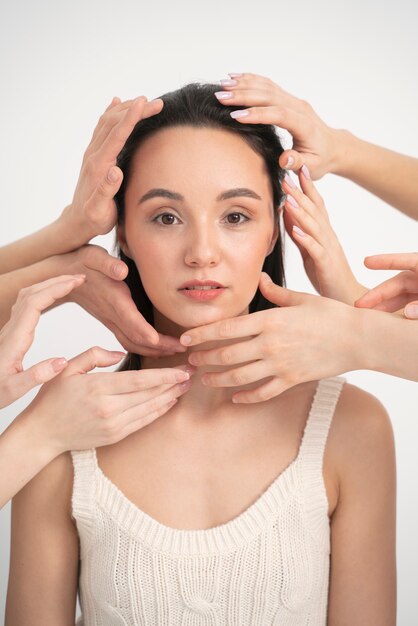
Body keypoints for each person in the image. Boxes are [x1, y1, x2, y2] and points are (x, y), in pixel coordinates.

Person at [6, 82, 396, 625]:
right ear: (122, 232)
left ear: (274, 231)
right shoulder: (63, 434)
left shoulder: (352, 426)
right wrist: (65, 241)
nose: (202, 254)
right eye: (166, 217)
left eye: (235, 216)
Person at [0, 274, 193, 509]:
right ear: (124, 239)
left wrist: (70, 268)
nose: (203, 255)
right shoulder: (64, 460)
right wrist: (39, 434)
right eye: (166, 232)